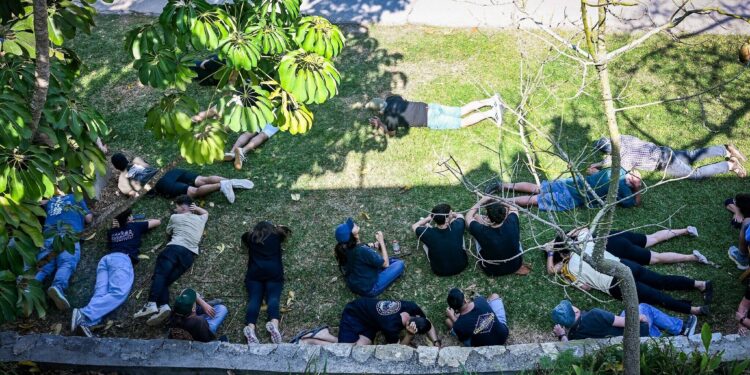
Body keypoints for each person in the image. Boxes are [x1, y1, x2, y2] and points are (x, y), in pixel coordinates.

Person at [546, 236, 712, 315]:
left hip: (615, 284)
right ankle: (700, 284)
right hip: (625, 265)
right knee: (661, 280)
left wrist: (550, 254)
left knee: (656, 296)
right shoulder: (587, 242)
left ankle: (695, 310)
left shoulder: (569, 269)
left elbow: (585, 286)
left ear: (560, 253)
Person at [70, 209, 161, 337]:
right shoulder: (135, 226)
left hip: (106, 260)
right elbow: (157, 222)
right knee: (118, 292)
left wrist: (123, 222)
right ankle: (85, 313)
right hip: (121, 260)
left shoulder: (111, 232)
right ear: (129, 218)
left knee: (100, 293)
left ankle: (86, 323)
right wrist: (134, 221)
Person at [133, 195, 209, 326]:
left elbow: (168, 232)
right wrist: (196, 208)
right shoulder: (201, 219)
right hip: (189, 257)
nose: (175, 209)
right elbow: (206, 212)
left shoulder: (175, 217)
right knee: (164, 281)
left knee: (160, 275)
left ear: (183, 207)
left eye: (177, 206)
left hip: (174, 249)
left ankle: (151, 303)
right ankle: (164, 306)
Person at [110, 152, 254, 203]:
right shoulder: (137, 160)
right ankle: (230, 181)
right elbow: (147, 166)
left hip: (161, 184)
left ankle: (221, 186)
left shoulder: (122, 181)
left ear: (116, 168)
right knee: (202, 179)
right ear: (126, 158)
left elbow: (135, 195)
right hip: (169, 172)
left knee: (193, 192)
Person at [36, 191, 93, 311]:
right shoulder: (77, 197)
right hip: (68, 235)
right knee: (67, 262)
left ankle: (30, 286)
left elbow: (39, 202)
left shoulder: (50, 201)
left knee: (44, 265)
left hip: (49, 236)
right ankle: (58, 286)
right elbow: (88, 219)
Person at [590, 135, 746, 179]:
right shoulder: (624, 137)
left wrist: (596, 164)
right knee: (691, 155)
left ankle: (730, 165)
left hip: (664, 162)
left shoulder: (620, 158)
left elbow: (609, 164)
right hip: (664, 151)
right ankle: (725, 150)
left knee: (694, 174)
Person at [489, 167, 641, 212]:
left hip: (569, 183)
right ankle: (501, 201)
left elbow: (593, 169)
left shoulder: (617, 169)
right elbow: (632, 203)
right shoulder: (623, 188)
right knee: (536, 200)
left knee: (538, 188)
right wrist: (637, 189)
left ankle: (502, 186)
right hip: (574, 197)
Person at [551, 299, 698, 341]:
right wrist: (641, 317)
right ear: (575, 311)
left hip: (621, 340)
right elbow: (626, 322)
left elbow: (569, 347)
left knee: (627, 311)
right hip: (636, 331)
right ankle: (681, 329)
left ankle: (657, 334)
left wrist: (562, 335)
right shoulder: (595, 314)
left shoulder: (573, 336)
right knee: (643, 307)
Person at [241, 221, 290, 344]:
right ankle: (274, 324)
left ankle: (251, 327)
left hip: (255, 273)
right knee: (273, 297)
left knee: (254, 300)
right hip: (274, 272)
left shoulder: (251, 237)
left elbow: (244, 236)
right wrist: (275, 226)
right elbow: (285, 229)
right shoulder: (277, 236)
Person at [365, 94, 502, 136]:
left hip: (430, 119)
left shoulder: (390, 118)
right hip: (430, 107)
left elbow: (391, 134)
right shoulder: (391, 99)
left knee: (462, 123)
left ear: (379, 111)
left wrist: (380, 124)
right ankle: (491, 100)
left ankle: (491, 113)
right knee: (461, 110)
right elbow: (397, 97)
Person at [569, 226, 710, 266]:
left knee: (656, 257)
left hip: (618, 248)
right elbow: (583, 227)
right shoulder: (580, 233)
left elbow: (553, 269)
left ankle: (692, 257)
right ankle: (686, 230)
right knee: (652, 237)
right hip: (615, 235)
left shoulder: (573, 253)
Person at [334, 218, 405, 297]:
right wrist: (381, 242)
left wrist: (373, 245)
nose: (353, 223)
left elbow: (360, 248)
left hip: (353, 283)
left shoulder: (343, 248)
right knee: (399, 263)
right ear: (351, 235)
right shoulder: (362, 251)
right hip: (369, 288)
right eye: (351, 226)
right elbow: (386, 264)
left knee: (388, 259)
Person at [465, 196, 526, 276]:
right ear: (505, 214)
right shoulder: (512, 220)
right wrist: (498, 201)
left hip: (492, 270)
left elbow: (468, 217)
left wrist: (480, 202)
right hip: (516, 265)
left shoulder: (482, 231)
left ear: (489, 218)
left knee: (476, 220)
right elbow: (513, 207)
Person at [336, 298, 439, 345]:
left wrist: (436, 342)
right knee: (345, 349)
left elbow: (427, 321)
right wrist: (409, 335)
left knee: (359, 348)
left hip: (371, 321)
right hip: (354, 314)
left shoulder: (411, 307)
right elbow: (397, 350)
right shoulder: (391, 327)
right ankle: (322, 335)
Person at [411, 203, 468, 276]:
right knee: (459, 234)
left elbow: (414, 226)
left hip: (440, 271)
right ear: (447, 219)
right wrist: (452, 214)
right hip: (462, 266)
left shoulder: (427, 233)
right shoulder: (458, 225)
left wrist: (428, 218)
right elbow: (460, 216)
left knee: (426, 245)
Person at [444, 288, 509, 347]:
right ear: (465, 300)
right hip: (503, 336)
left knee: (448, 321)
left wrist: (452, 316)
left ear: (454, 309)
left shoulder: (459, 325)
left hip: (484, 348)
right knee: (494, 296)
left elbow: (463, 338)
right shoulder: (480, 300)